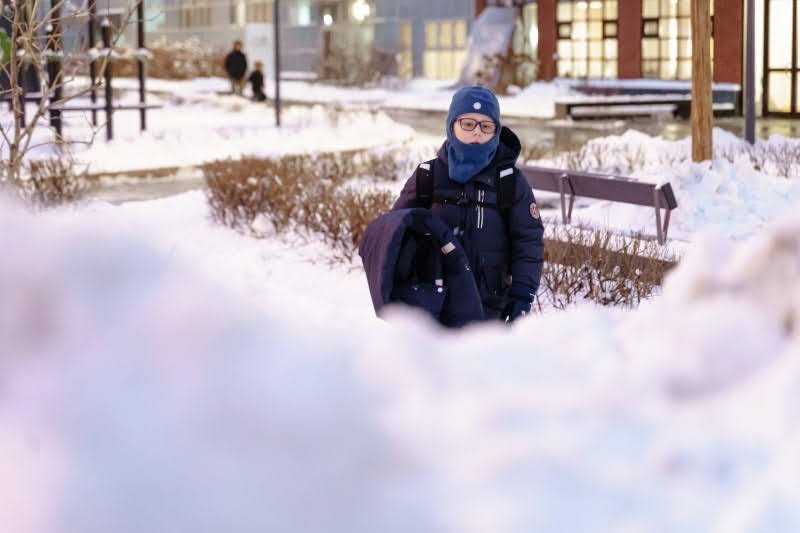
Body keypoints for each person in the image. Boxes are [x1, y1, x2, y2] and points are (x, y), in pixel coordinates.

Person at [391, 86, 544, 323]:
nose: (477, 133)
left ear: (496, 131)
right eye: (468, 124)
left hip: (489, 306)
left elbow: (528, 240)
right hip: (434, 304)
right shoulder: (428, 175)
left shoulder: (510, 182)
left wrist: (523, 293)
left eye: (486, 126)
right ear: (452, 125)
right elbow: (396, 232)